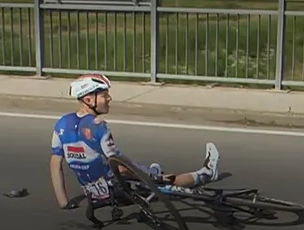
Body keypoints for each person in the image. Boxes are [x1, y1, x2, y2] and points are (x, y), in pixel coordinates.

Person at [49, 73, 220, 209]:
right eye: (104, 95)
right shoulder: (98, 127)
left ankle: (154, 170)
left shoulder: (62, 123)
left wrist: (63, 202)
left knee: (149, 170)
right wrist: (151, 176)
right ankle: (206, 173)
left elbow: (55, 163)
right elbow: (120, 166)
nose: (109, 99)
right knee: (166, 180)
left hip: (94, 194)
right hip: (118, 188)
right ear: (88, 100)